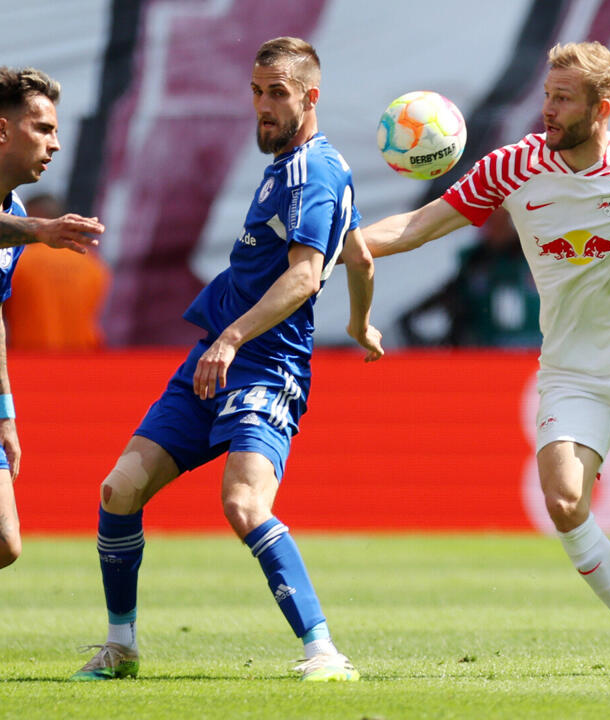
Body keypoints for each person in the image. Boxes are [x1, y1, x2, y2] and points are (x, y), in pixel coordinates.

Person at [362, 41, 610, 676]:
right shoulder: (512, 168)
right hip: (572, 369)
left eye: (562, 99)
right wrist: (327, 249)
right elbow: (417, 226)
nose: (547, 110)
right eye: (546, 95)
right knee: (563, 499)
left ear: (600, 107)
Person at [70, 37, 383, 683]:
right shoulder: (300, 166)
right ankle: (121, 646)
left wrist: (233, 337)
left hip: (264, 366)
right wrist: (360, 322)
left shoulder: (311, 173)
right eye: (256, 91)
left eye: (277, 93)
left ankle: (325, 652)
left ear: (310, 97)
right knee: (119, 490)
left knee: (244, 505)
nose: (262, 106)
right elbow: (360, 254)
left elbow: (303, 277)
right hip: (214, 361)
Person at [0, 67, 104, 570]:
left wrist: (5, 410)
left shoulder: (16, 211)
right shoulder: (26, 225)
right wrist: (38, 230)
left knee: (5, 542)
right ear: (2, 131)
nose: (55, 144)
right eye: (43, 128)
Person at [399, 207, 541, 347]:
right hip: (484, 355)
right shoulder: (473, 262)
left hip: (536, 352)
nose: (491, 229)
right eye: (489, 221)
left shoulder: (541, 258)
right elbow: (427, 308)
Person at [4, 193, 110, 350]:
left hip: (29, 359)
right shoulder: (93, 264)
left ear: (35, 218)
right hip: (83, 358)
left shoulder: (18, 260)